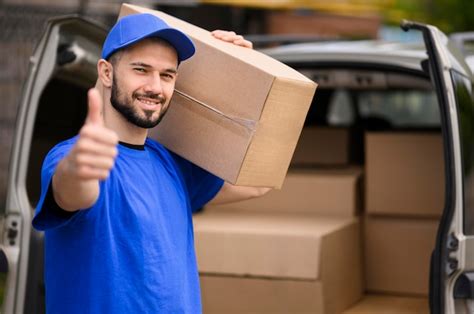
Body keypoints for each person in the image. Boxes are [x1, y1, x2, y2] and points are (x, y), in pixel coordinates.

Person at [32, 13, 269, 314]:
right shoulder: (73, 157)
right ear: (106, 73)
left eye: (167, 75)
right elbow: (73, 190)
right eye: (141, 70)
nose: (155, 87)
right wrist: (78, 168)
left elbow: (259, 183)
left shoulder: (171, 165)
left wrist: (247, 72)